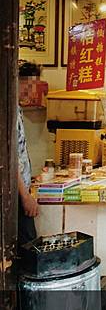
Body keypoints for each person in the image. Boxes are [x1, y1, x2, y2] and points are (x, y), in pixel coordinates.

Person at [17, 106, 38, 249]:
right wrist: (25, 196)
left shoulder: (16, 108)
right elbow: (8, 159)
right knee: (27, 249)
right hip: (14, 194)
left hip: (21, 187)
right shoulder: (7, 109)